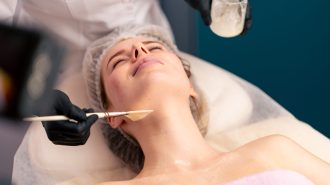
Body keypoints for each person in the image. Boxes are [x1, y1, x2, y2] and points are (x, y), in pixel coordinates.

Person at [80, 24, 329, 185]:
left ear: (191, 87)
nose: (139, 50)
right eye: (118, 62)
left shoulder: (275, 150)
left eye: (154, 47)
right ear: (111, 115)